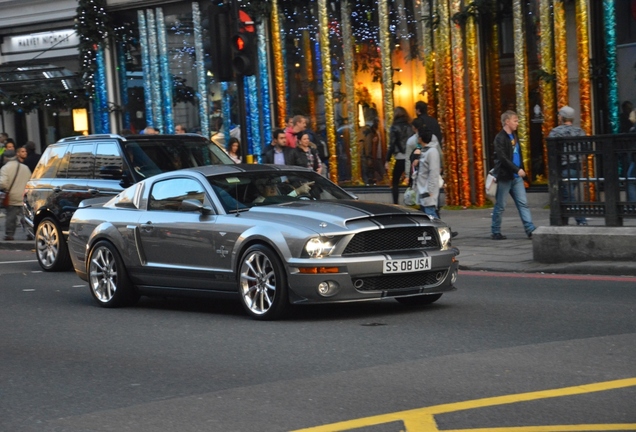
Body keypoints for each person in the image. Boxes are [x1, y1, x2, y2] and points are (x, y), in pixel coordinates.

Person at [490, 110, 536, 240]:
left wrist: (521, 169)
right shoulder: (500, 138)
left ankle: (530, 229)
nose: (517, 123)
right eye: (515, 121)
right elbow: (503, 158)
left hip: (516, 178)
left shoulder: (514, 136)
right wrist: (517, 170)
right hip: (506, 176)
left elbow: (518, 155)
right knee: (501, 205)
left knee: (523, 203)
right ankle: (495, 230)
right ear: (507, 121)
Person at [548, 105, 588, 225]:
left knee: (569, 195)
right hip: (576, 166)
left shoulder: (556, 132)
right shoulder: (580, 131)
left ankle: (581, 220)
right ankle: (562, 218)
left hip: (563, 167)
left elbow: (551, 150)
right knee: (566, 194)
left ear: (562, 117)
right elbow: (586, 149)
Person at [410, 125, 442, 218]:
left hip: (427, 191)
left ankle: (441, 232)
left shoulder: (432, 152)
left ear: (420, 138)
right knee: (427, 216)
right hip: (422, 189)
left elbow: (433, 172)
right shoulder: (424, 151)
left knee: (431, 216)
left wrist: (430, 190)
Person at [0, 149, 32, 240]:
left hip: (12, 197)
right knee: (26, 217)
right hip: (24, 196)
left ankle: (9, 235)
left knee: (11, 217)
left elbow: (3, 184)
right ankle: (29, 233)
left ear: (6, 157)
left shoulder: (5, 168)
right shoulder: (25, 167)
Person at [385, 106, 413, 204]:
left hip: (400, 156)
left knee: (395, 181)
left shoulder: (394, 127)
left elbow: (392, 144)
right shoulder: (410, 126)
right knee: (412, 180)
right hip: (410, 156)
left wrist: (387, 159)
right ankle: (413, 201)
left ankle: (396, 202)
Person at [360, 109, 384, 185]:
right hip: (367, 158)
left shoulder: (363, 130)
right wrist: (369, 158)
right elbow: (368, 147)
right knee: (369, 178)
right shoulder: (369, 131)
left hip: (365, 158)